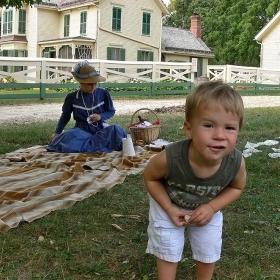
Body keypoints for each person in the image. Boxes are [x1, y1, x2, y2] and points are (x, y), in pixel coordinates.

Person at [143, 80, 247, 280]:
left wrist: (211, 207)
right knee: (168, 246)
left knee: (208, 246)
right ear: (189, 129)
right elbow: (150, 177)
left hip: (207, 206)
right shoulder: (171, 157)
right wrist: (169, 208)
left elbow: (237, 187)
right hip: (169, 203)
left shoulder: (236, 162)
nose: (219, 135)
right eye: (208, 125)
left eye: (230, 128)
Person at [47, 60, 127, 153]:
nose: (93, 86)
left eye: (95, 83)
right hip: (81, 131)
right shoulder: (72, 97)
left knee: (117, 130)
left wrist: (100, 116)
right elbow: (65, 116)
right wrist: (57, 133)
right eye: (89, 84)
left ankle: (88, 147)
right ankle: (99, 146)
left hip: (100, 129)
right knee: (69, 136)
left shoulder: (103, 93)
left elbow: (111, 111)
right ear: (81, 83)